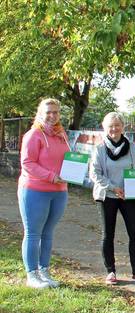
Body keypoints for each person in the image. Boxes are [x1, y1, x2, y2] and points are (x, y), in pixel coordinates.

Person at [90, 112, 135, 285]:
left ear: (123, 126)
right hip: (107, 195)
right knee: (108, 234)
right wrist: (114, 188)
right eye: (110, 126)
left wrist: (131, 188)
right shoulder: (99, 149)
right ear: (105, 128)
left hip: (128, 196)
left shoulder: (132, 147)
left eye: (117, 125)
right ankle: (111, 272)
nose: (114, 129)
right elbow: (95, 174)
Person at [18, 98, 69, 289]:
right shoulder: (34, 135)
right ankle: (32, 275)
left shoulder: (61, 134)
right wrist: (51, 176)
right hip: (34, 190)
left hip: (59, 192)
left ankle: (44, 271)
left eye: (56, 112)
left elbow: (68, 159)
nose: (52, 115)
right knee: (33, 233)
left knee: (48, 233)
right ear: (40, 113)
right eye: (48, 112)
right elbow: (28, 164)